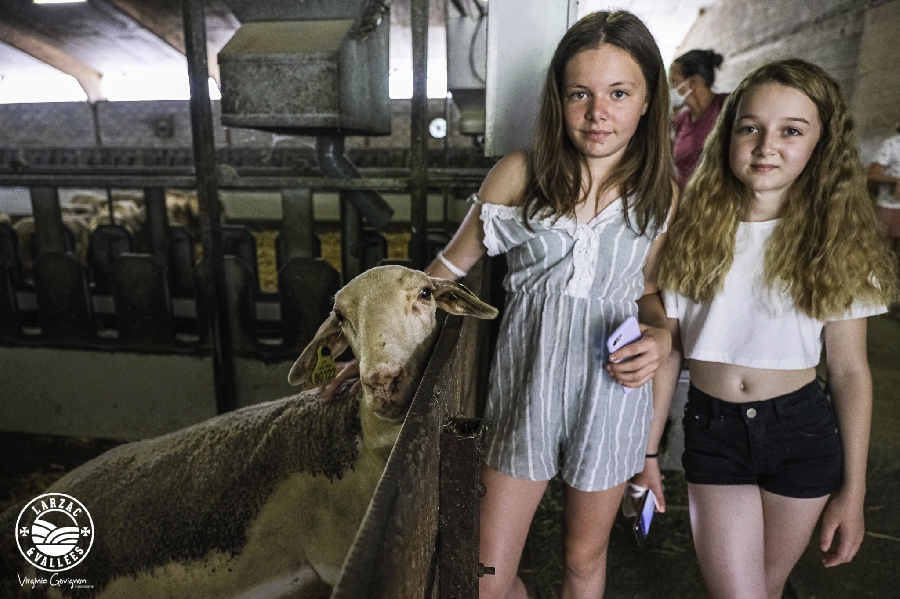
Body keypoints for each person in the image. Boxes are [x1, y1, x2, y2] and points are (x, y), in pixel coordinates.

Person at [419, 10, 677, 599]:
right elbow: (444, 272)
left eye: (619, 93)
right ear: (558, 100)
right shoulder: (519, 176)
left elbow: (651, 296)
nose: (598, 112)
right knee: (485, 576)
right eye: (579, 93)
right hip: (523, 396)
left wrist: (659, 339)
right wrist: (373, 337)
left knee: (584, 559)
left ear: (647, 101)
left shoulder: (660, 197)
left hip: (612, 400)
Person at [657, 59, 900, 599]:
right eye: (751, 128)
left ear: (821, 144)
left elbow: (850, 370)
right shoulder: (689, 232)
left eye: (791, 130)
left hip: (802, 434)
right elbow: (670, 349)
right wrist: (648, 454)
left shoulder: (836, 242)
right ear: (729, 137)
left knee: (763, 589)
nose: (767, 145)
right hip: (714, 433)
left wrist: (853, 492)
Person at [670, 49, 729, 190]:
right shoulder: (682, 120)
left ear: (692, 83)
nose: (670, 88)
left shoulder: (726, 107)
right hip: (687, 204)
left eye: (674, 81)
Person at [866, 123, 900, 253]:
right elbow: (871, 174)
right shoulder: (892, 144)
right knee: (885, 252)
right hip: (890, 206)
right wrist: (895, 181)